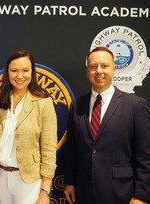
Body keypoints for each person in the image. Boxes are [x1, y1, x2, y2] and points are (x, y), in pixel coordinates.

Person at [64, 46, 150, 204]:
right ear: (87, 71)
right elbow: (72, 149)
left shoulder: (135, 105)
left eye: (104, 66)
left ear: (114, 69)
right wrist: (69, 181)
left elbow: (145, 155)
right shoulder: (77, 105)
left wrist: (141, 196)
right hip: (84, 193)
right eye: (93, 66)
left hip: (121, 193)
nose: (99, 71)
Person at [0, 50, 57, 204]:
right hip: (0, 177)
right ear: (7, 72)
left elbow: (49, 149)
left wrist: (45, 191)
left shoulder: (44, 103)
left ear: (32, 72)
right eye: (14, 70)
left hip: (29, 180)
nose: (20, 76)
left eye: (25, 70)